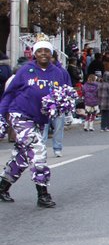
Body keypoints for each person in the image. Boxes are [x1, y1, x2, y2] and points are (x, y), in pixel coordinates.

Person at [0, 41, 72, 207]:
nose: (44, 54)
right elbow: (9, 94)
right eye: (40, 51)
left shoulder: (58, 73)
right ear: (35, 54)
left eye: (47, 50)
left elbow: (67, 93)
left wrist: (65, 110)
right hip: (21, 116)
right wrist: (1, 115)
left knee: (23, 157)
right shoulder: (25, 70)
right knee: (38, 149)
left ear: (52, 54)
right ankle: (43, 193)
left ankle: (3, 186)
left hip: (39, 120)